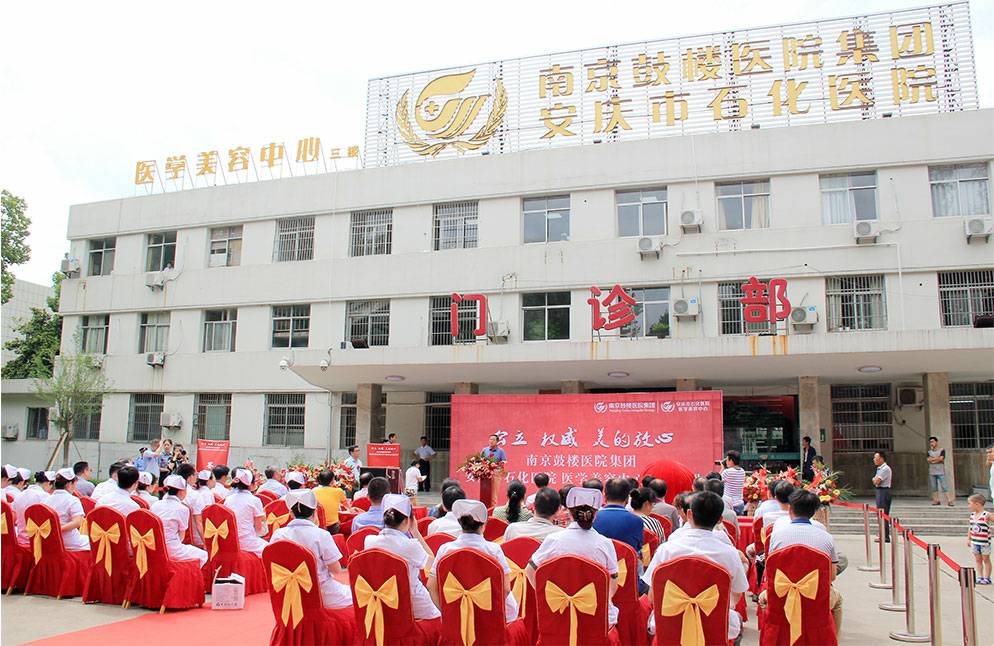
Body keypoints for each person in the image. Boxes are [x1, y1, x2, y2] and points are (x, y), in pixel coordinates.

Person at [644, 490, 747, 643]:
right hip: (714, 623)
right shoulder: (730, 553)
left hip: (671, 623)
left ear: (689, 514)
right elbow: (737, 594)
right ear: (720, 520)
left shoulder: (667, 550)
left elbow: (653, 596)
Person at [526, 487, 619, 627]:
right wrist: (599, 601)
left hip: (558, 614)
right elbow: (613, 581)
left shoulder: (554, 540)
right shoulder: (605, 544)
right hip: (596, 617)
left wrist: (547, 597)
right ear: (595, 514)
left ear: (569, 512)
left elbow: (530, 570)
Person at [428, 499, 519, 622]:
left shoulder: (445, 549)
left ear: (459, 523)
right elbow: (506, 589)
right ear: (484, 524)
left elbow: (431, 586)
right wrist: (488, 612)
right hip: (488, 616)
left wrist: (447, 612)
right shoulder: (494, 550)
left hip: (455, 615)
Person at [765, 489, 843, 632]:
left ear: (790, 509)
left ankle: (773, 631)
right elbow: (831, 576)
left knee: (763, 599)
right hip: (816, 595)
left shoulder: (776, 535)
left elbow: (770, 571)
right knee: (837, 602)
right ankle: (831, 638)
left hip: (783, 594)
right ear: (814, 512)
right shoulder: (826, 537)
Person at [271, 489, 354, 608]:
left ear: (291, 514)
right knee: (356, 594)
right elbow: (336, 569)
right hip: (322, 593)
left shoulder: (278, 535)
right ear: (315, 512)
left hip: (289, 591)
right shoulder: (321, 535)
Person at [364, 493, 440, 620]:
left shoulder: (369, 541)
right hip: (414, 604)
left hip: (384, 602)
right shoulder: (410, 545)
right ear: (406, 520)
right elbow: (432, 564)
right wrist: (415, 532)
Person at [592, 478, 645, 593]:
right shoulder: (636, 521)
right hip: (628, 583)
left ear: (604, 496)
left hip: (596, 581)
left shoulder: (593, 518)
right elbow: (639, 553)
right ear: (627, 498)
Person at [150, 474, 208, 567]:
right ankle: (189, 575)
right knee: (204, 555)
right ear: (181, 491)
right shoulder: (182, 509)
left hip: (154, 546)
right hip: (172, 549)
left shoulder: (155, 505)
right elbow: (182, 536)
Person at [222, 468, 268, 556]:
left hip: (230, 541)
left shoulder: (228, 499)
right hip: (247, 542)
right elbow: (258, 530)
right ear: (251, 484)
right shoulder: (254, 500)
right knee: (270, 550)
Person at [43, 469, 90, 551]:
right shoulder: (73, 500)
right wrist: (58, 530)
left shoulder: (46, 500)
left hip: (49, 540)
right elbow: (77, 522)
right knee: (92, 542)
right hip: (69, 542)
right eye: (74, 483)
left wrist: (54, 531)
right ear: (69, 484)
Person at [13, 471, 54, 543]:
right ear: (48, 483)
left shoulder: (19, 495)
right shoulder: (45, 497)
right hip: (38, 542)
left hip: (20, 539)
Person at [176, 463, 206, 546]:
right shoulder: (195, 495)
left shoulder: (166, 496)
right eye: (196, 474)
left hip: (174, 538)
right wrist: (206, 543)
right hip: (193, 541)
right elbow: (199, 522)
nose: (197, 477)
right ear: (190, 477)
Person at [313, 469, 349, 534]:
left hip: (317, 526)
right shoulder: (338, 491)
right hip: (333, 527)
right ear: (332, 481)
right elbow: (347, 506)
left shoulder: (313, 491)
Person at [967, 493, 992, 585]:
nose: (968, 506)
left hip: (984, 542)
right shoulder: (972, 515)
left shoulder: (987, 515)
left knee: (986, 560)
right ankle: (980, 576)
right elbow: (970, 527)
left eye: (970, 504)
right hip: (975, 541)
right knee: (978, 560)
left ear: (977, 504)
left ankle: (987, 577)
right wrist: (969, 538)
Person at [927, 436, 954, 506]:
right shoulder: (929, 452)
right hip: (932, 471)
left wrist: (934, 460)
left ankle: (950, 500)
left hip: (940, 471)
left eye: (933, 441)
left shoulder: (942, 450)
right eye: (930, 442)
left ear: (936, 442)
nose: (931, 443)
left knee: (944, 486)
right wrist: (937, 459)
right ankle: (936, 500)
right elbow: (929, 460)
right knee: (934, 487)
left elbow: (941, 458)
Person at [873, 451, 893, 542]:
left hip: (884, 491)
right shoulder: (879, 468)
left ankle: (885, 536)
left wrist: (875, 480)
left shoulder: (885, 469)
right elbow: (874, 480)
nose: (874, 460)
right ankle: (882, 534)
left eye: (876, 458)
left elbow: (877, 481)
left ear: (881, 458)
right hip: (880, 491)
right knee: (880, 514)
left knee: (883, 514)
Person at [721, 450, 746, 515]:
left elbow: (717, 481)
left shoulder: (727, 472)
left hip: (729, 505)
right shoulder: (742, 471)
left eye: (727, 460)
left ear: (731, 461)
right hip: (740, 504)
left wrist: (722, 468)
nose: (726, 462)